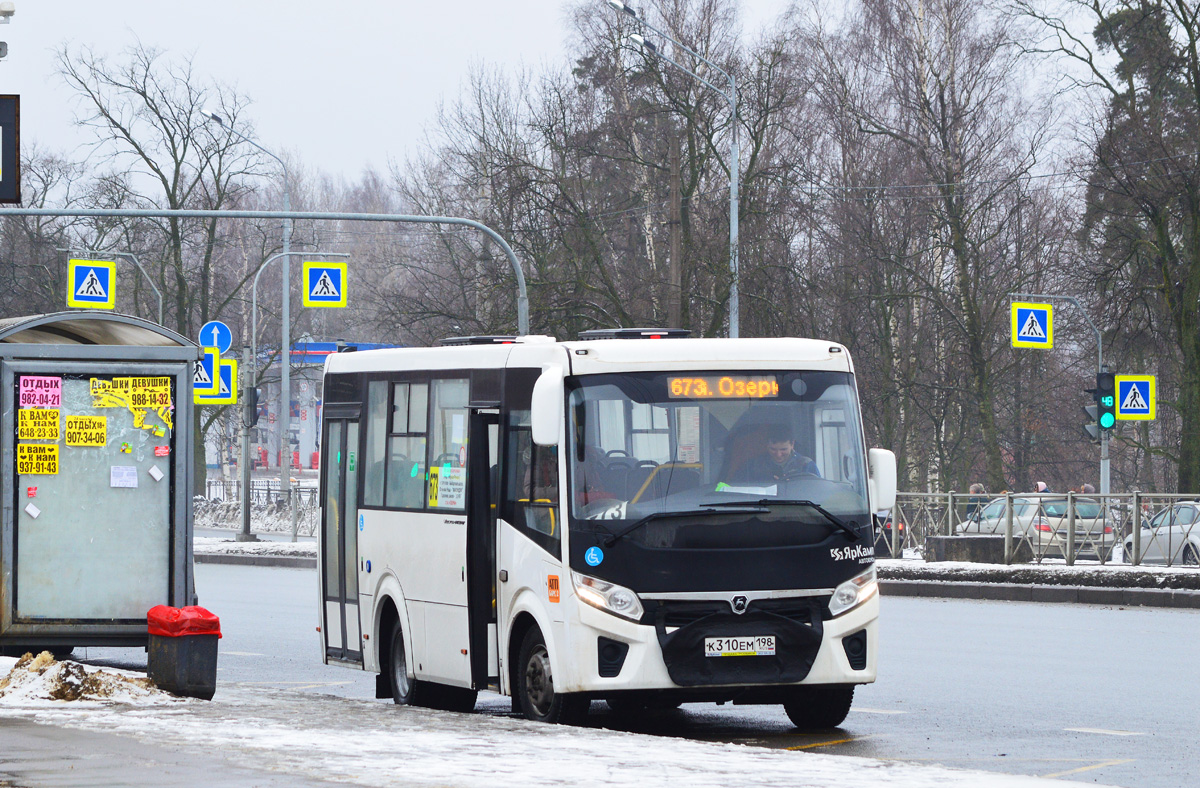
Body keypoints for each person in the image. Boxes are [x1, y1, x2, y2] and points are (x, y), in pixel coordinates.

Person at [737, 425, 820, 482]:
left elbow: (816, 491)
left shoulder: (806, 465)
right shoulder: (754, 465)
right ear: (766, 445)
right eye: (773, 449)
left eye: (783, 449)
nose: (778, 454)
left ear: (792, 444)